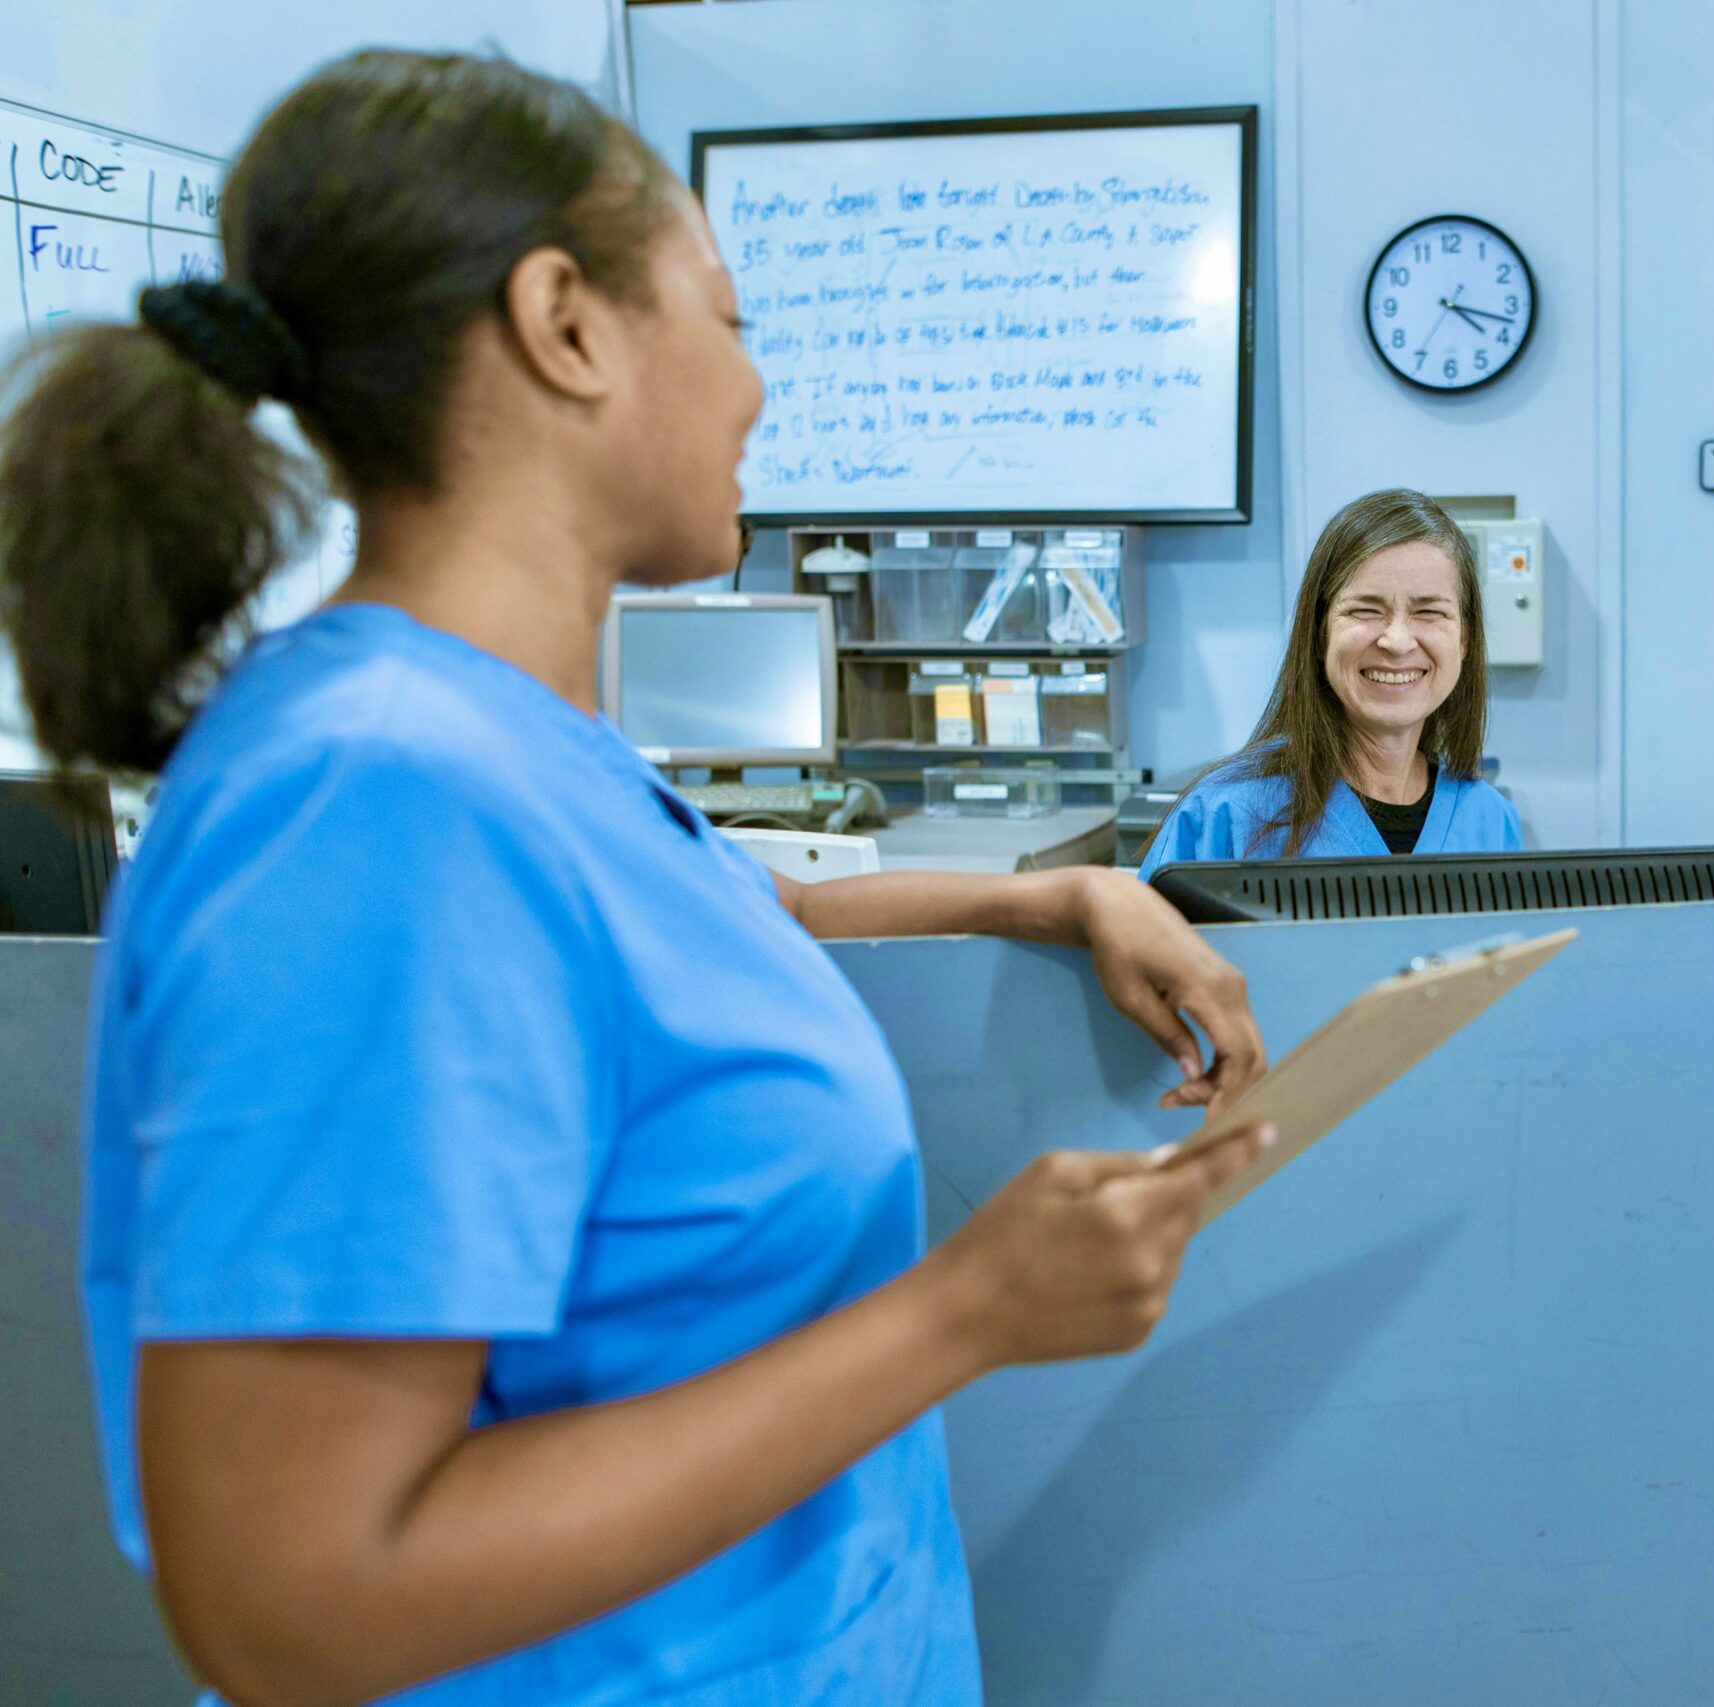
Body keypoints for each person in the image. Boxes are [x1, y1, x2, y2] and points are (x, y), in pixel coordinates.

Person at [0, 52, 1275, 1707]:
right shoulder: (370, 799)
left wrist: (1043, 894)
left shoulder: (509, 747)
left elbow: (696, 945)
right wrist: (962, 1311)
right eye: (732, 318)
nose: (757, 388)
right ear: (566, 322)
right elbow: (288, 1599)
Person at [1139, 488, 1522, 879]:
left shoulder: (1492, 821)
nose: (1397, 640)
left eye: (1429, 611)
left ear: (1464, 640)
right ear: (1320, 634)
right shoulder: (1223, 815)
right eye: (1365, 610)